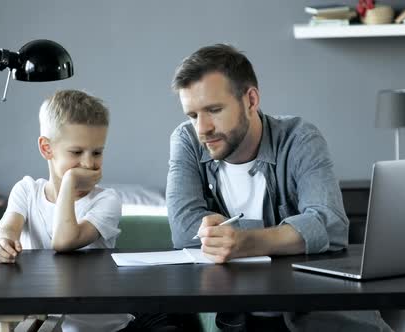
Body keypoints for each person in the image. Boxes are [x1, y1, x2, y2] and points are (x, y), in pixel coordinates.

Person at [167, 44, 392, 331]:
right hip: (241, 318)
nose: (202, 128)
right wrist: (287, 236)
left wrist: (243, 241)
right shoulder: (187, 140)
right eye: (192, 115)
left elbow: (331, 225)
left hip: (319, 316)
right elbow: (184, 232)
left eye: (214, 110)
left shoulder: (299, 137)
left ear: (251, 100)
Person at [0, 90, 184, 332]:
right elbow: (8, 228)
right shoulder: (26, 190)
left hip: (108, 328)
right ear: (46, 148)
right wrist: (3, 241)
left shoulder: (106, 200)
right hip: (50, 324)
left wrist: (70, 179)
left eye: (97, 152)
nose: (89, 163)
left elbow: (64, 241)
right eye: (76, 152)